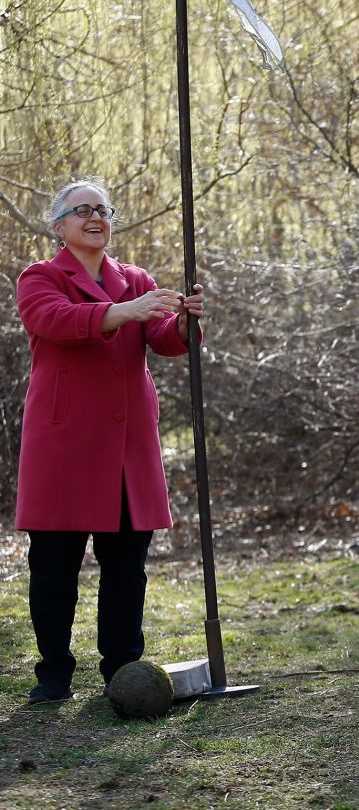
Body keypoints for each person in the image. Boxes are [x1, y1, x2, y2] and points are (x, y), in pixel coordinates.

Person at [15, 177, 205, 705]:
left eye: (103, 209)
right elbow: (55, 321)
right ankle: (53, 673)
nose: (96, 217)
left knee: (127, 567)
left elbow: (163, 338)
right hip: (64, 448)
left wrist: (186, 323)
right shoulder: (40, 277)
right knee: (54, 569)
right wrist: (125, 311)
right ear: (59, 226)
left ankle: (122, 667)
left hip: (127, 450)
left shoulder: (136, 278)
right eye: (82, 210)